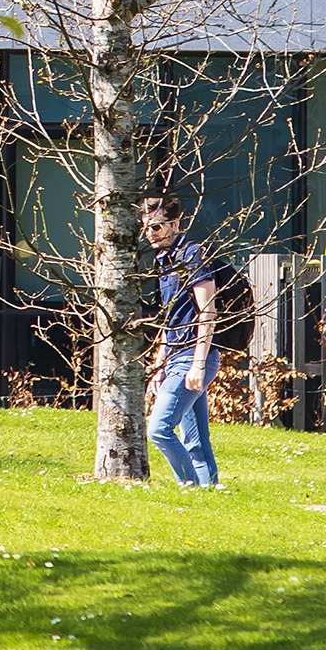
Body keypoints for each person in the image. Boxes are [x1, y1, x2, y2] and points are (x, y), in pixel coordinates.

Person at [140, 191, 223, 489]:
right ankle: (207, 497)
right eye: (146, 227)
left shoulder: (192, 255)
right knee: (195, 440)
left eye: (157, 227)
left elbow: (207, 311)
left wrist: (198, 365)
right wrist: (159, 364)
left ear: (175, 224)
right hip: (175, 356)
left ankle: (188, 487)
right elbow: (171, 316)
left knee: (159, 429)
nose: (149, 233)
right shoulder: (165, 260)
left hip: (194, 356)